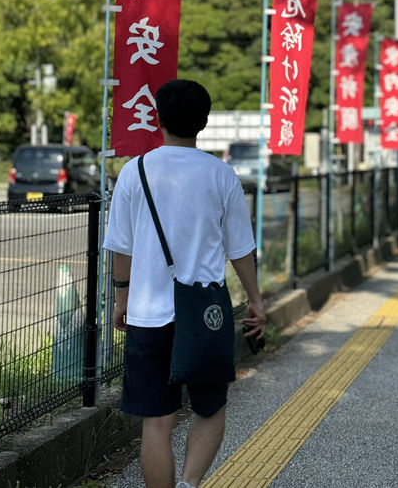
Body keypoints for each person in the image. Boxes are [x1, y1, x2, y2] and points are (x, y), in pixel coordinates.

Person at [103, 79, 266, 488]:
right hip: (205, 315)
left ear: (159, 118)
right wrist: (256, 300)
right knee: (209, 409)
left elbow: (120, 247)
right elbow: (242, 249)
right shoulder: (221, 174)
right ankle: (191, 486)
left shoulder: (134, 172)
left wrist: (121, 298)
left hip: (146, 312)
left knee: (156, 422)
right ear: (204, 122)